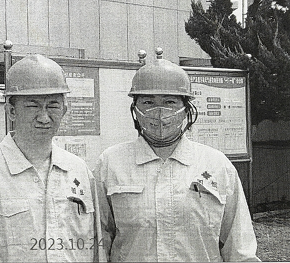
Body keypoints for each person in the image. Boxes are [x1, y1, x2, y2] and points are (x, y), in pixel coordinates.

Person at [94, 48, 259, 262]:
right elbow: (99, 241)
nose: (159, 111)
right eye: (148, 102)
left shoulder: (217, 164)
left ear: (186, 109)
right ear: (135, 109)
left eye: (170, 102)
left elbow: (240, 247)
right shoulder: (111, 163)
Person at [0, 54, 105, 262]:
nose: (44, 117)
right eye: (33, 106)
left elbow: (96, 248)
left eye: (52, 106)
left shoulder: (78, 170)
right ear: (11, 111)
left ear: (64, 110)